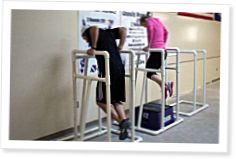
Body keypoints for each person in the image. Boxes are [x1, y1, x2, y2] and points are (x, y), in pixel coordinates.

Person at [81, 26, 130, 140]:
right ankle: (124, 121)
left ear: (87, 35)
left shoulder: (94, 32)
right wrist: (120, 46)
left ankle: (121, 122)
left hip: (108, 70)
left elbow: (94, 28)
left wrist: (93, 47)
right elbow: (123, 30)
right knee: (115, 100)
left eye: (85, 39)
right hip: (119, 68)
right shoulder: (110, 33)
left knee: (101, 101)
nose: (87, 41)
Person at [140, 14, 174, 99]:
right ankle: (163, 86)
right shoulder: (158, 22)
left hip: (156, 52)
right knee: (151, 72)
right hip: (163, 51)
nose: (145, 27)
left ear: (144, 21)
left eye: (143, 26)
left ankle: (166, 84)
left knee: (149, 73)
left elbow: (150, 32)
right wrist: (163, 44)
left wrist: (149, 46)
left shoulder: (149, 22)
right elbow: (166, 32)